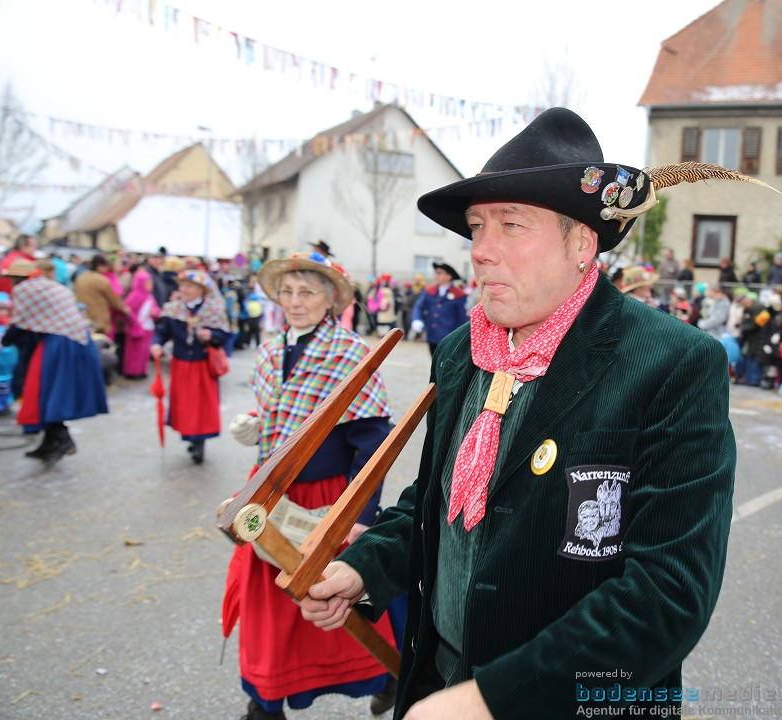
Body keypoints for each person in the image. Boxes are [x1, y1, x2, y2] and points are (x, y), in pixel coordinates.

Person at [297, 107, 737, 719]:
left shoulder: (674, 363)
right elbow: (442, 497)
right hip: (443, 679)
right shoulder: (461, 352)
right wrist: (367, 568)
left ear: (581, 242)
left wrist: (496, 699)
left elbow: (667, 595)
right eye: (477, 227)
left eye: (510, 225)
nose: (480, 251)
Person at [224, 252, 401, 720]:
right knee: (269, 609)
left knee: (345, 600)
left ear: (329, 300)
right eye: (287, 291)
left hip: (325, 500)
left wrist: (357, 518)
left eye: (307, 292)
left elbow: (372, 442)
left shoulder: (347, 353)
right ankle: (265, 700)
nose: (295, 301)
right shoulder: (271, 348)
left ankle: (393, 678)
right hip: (268, 497)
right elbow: (284, 415)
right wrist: (256, 425)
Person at [3, 262, 108, 463]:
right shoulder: (50, 285)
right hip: (76, 340)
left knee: (46, 390)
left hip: (59, 343)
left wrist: (2, 341)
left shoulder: (24, 290)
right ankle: (50, 441)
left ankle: (61, 438)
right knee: (49, 391)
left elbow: (19, 323)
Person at [149, 269, 231, 464]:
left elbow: (225, 336)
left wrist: (211, 336)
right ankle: (190, 436)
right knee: (184, 404)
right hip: (181, 364)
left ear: (201, 289)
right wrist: (156, 344)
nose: (183, 289)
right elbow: (162, 332)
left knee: (202, 406)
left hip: (203, 365)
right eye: (182, 285)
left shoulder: (214, 311)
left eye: (189, 286)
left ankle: (199, 441)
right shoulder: (172, 309)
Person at [410, 262, 467, 357]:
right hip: (432, 335)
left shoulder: (458, 294)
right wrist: (416, 319)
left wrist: (461, 338)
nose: (436, 275)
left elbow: (461, 318)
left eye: (440, 273)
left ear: (449, 276)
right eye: (436, 273)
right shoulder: (430, 291)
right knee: (434, 361)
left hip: (450, 337)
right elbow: (419, 306)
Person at [74, 255, 127, 336]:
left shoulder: (81, 277)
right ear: (99, 266)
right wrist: (125, 309)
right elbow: (113, 300)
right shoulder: (101, 280)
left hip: (83, 316)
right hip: (98, 317)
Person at [123, 270, 160, 379]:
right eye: (148, 282)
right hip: (137, 328)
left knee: (144, 352)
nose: (151, 285)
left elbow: (155, 308)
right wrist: (134, 322)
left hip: (148, 328)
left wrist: (155, 312)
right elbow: (128, 310)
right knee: (134, 353)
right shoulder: (135, 295)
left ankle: (142, 370)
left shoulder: (150, 296)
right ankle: (132, 372)